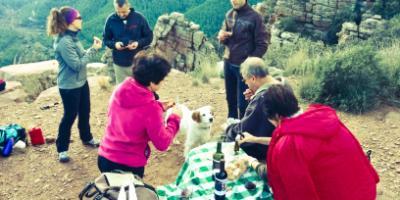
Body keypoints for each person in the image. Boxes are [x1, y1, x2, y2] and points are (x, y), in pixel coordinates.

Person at [263, 84, 379, 200]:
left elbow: (299, 193)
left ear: (277, 117)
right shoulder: (324, 118)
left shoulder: (288, 145)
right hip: (366, 190)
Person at [98, 52, 181, 178]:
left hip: (104, 158)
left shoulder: (119, 90)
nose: (163, 82)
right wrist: (174, 119)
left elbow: (130, 114)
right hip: (129, 166)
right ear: (152, 82)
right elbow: (162, 143)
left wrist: (159, 106)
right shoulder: (151, 109)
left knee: (111, 193)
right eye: (162, 79)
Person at [47, 6, 102, 163]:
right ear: (71, 22)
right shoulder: (64, 42)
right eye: (79, 17)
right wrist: (94, 50)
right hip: (69, 86)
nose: (82, 19)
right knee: (70, 116)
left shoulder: (72, 37)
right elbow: (77, 65)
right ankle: (62, 148)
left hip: (81, 82)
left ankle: (86, 137)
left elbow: (81, 56)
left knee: (85, 111)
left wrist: (92, 48)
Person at [224, 57, 283, 161]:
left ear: (253, 78)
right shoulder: (283, 85)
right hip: (276, 139)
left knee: (231, 136)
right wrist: (253, 98)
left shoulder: (262, 97)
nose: (246, 84)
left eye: (245, 80)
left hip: (264, 149)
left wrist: (228, 129)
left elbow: (244, 129)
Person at [218, 0, 268, 120]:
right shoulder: (229, 14)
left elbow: (262, 45)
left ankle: (243, 129)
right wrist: (222, 38)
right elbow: (226, 39)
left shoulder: (255, 17)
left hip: (244, 68)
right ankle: (231, 125)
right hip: (228, 62)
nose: (234, 0)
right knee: (230, 98)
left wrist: (249, 64)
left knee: (243, 102)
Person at [103, 0, 153, 84]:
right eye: (118, 12)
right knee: (123, 91)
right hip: (119, 64)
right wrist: (115, 45)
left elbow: (149, 37)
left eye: (124, 12)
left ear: (128, 6)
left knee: (140, 88)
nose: (121, 15)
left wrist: (138, 43)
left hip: (138, 62)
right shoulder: (111, 20)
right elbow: (106, 39)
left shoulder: (139, 18)